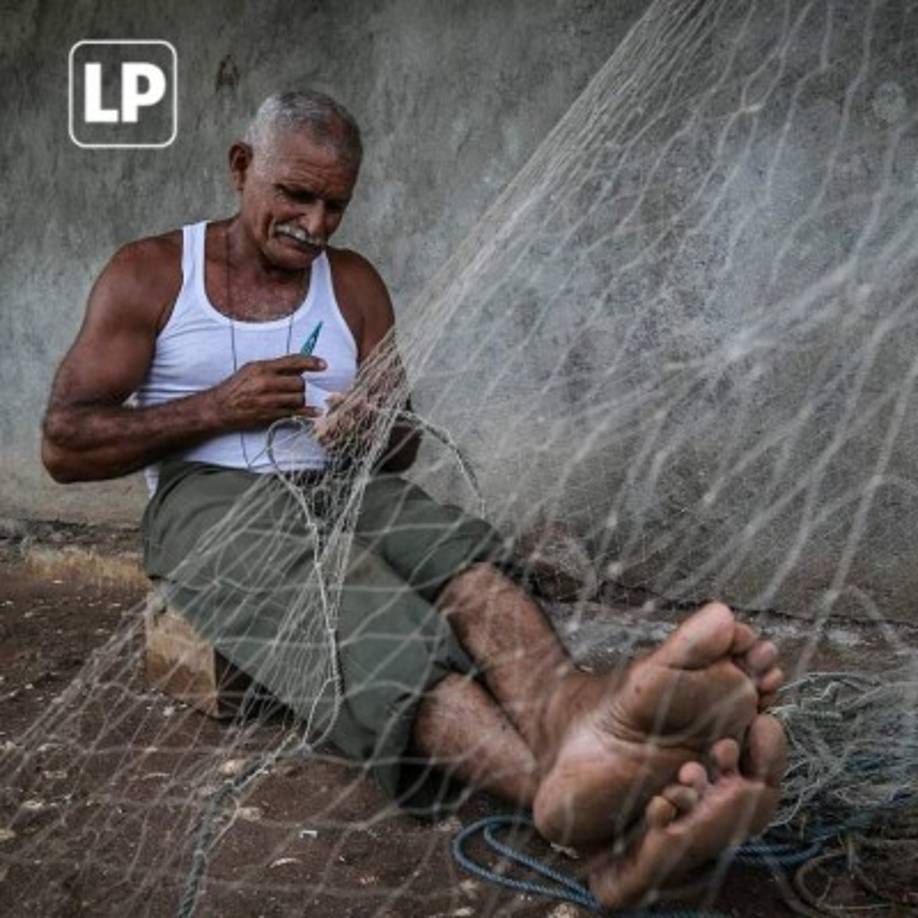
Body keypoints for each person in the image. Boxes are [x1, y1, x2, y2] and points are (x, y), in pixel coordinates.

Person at [41, 89, 787, 909]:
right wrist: (218, 408)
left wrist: (373, 425)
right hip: (207, 497)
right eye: (297, 195)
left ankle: (575, 717)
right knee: (353, 607)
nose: (316, 225)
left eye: (336, 205)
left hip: (337, 480)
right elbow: (65, 443)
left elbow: (403, 450)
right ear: (241, 166)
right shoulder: (151, 273)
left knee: (455, 553)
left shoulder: (354, 284)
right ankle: (574, 806)